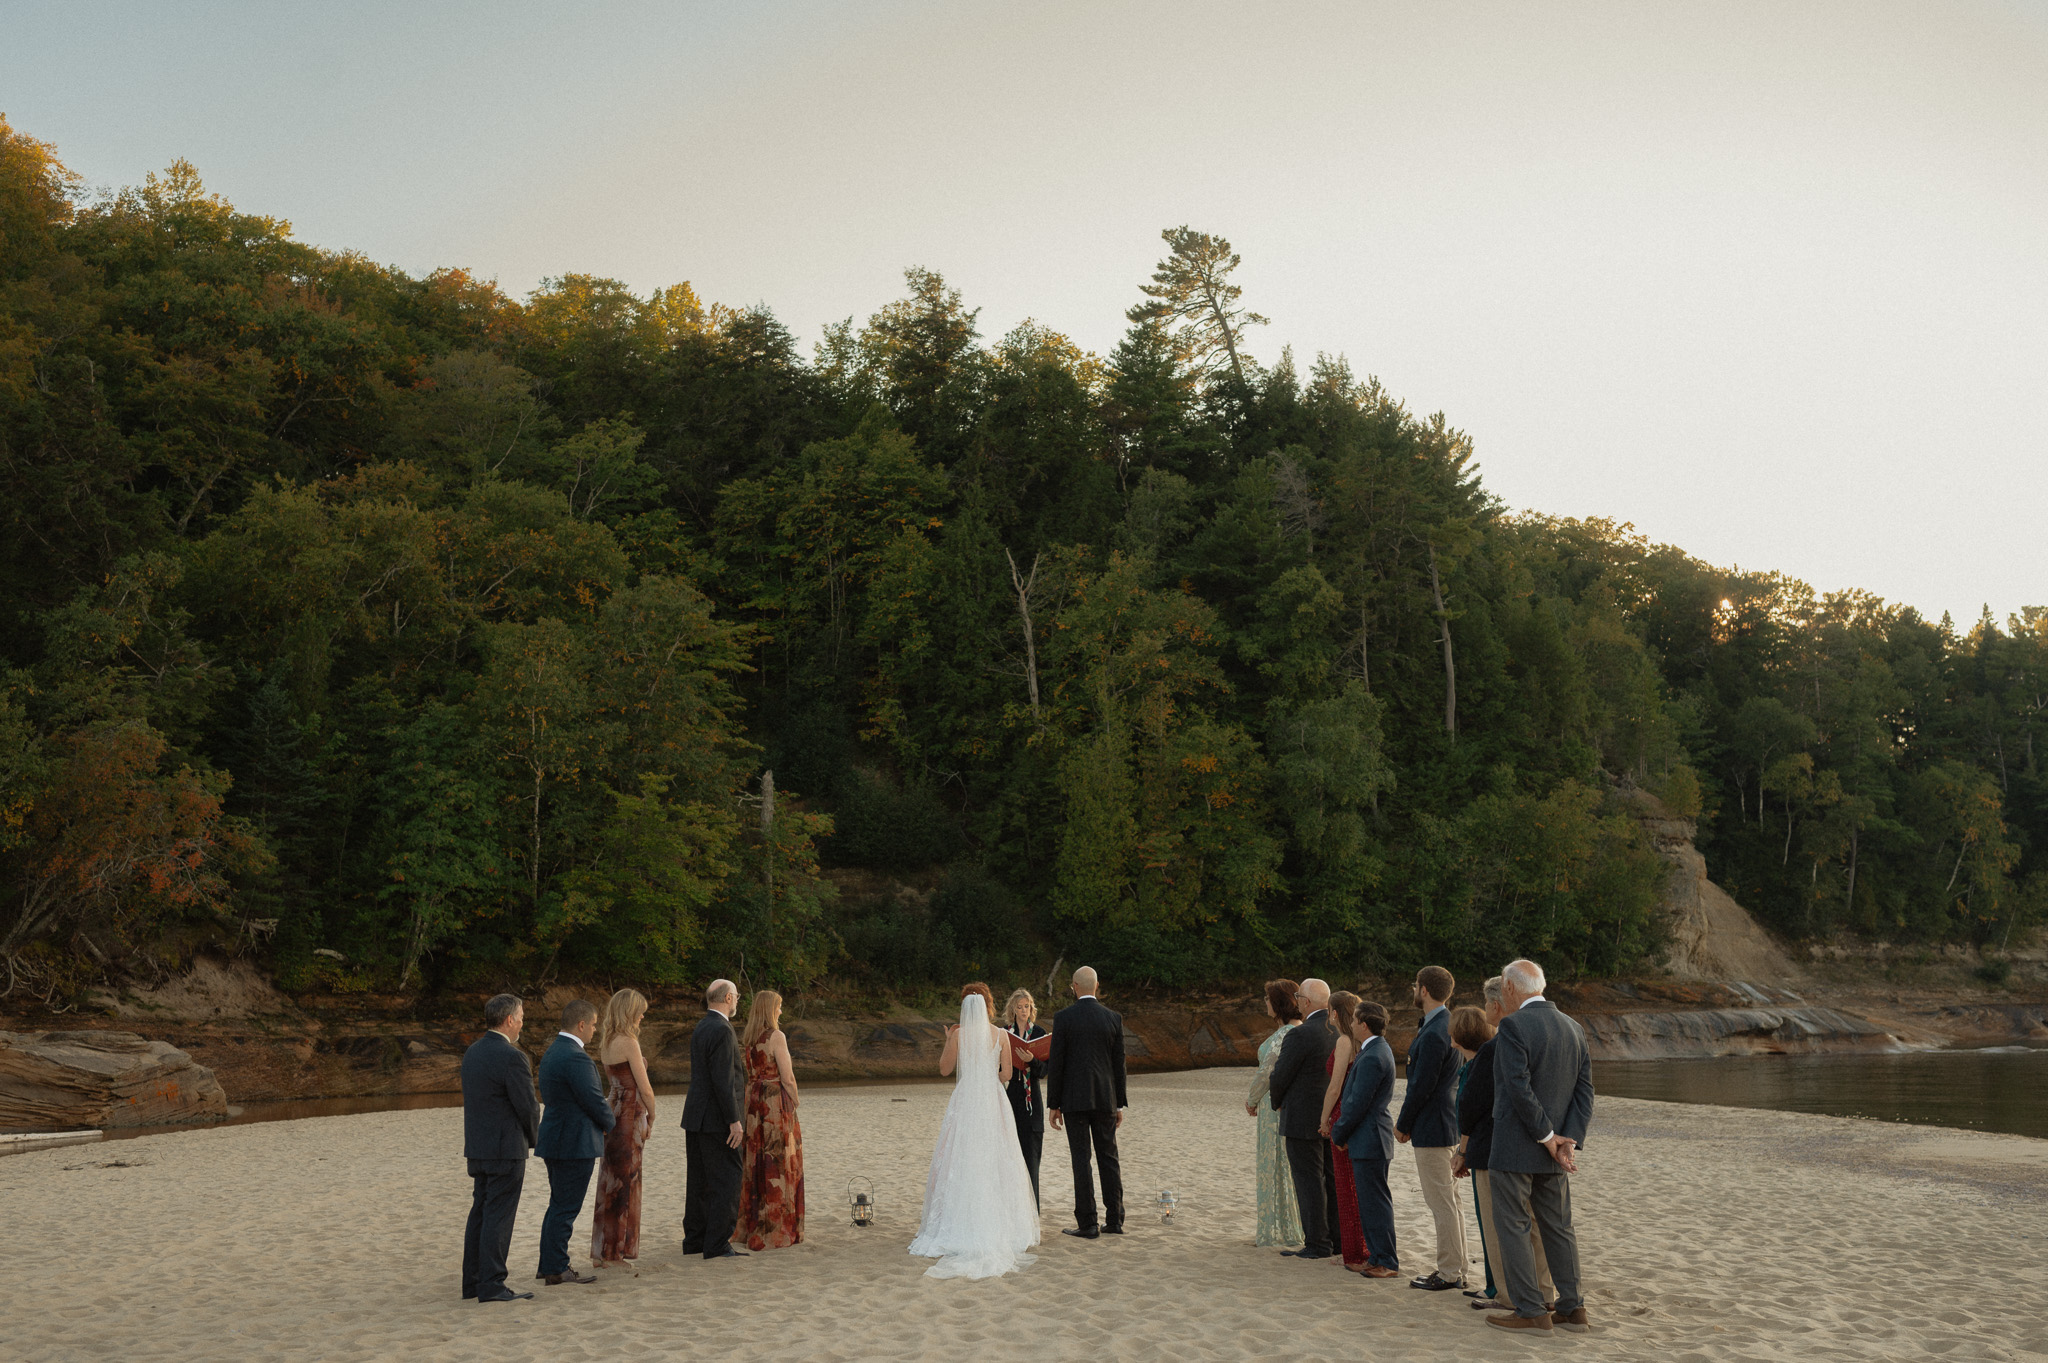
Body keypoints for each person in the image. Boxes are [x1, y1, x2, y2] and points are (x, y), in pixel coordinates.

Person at [1485, 959, 1595, 1336]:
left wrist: (1549, 1137)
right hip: (1557, 1148)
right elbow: (1585, 1091)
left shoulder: (1512, 1025)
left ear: (1512, 988)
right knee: (1559, 1227)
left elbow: (1517, 1086)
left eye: (1502, 987)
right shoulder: (1574, 1027)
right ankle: (1573, 1308)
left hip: (1518, 1145)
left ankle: (1531, 1310)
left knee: (1513, 1226)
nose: (1501, 993)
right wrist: (1568, 1140)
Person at [908, 986, 1040, 1278]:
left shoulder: (958, 1035)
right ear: (987, 1009)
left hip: (966, 1097)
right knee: (997, 1156)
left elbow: (944, 1069)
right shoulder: (1001, 1035)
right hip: (993, 1098)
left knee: (961, 1154)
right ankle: (1002, 1224)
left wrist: (948, 1042)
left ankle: (958, 1221)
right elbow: (1007, 1074)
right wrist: (988, 1074)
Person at [1453, 982, 1555, 1315]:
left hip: (1495, 1147)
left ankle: (1510, 1295)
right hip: (1536, 1143)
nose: (1484, 1009)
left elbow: (1471, 1103)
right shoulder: (1538, 1035)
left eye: (1486, 1001)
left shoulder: (1497, 1045)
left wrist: (1463, 1148)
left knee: (1501, 1227)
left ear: (1498, 1004)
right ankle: (1545, 1292)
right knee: (1534, 1225)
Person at [460, 992, 540, 1302]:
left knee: (480, 1212)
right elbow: (528, 1106)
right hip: (505, 1148)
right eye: (521, 1017)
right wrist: (535, 1140)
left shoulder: (473, 1052)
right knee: (497, 1216)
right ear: (508, 1020)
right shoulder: (512, 1056)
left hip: (478, 1147)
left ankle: (473, 1282)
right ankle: (492, 1284)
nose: (522, 1023)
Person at [533, 998, 615, 1286]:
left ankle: (549, 1263)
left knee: (558, 1204)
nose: (594, 1031)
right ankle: (556, 1267)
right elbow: (593, 1100)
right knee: (566, 1207)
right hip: (574, 1142)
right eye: (593, 1025)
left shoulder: (553, 1052)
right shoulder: (576, 1057)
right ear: (581, 1025)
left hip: (555, 1138)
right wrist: (610, 1124)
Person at [1046, 965, 1129, 1239]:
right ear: (1096, 986)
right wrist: (1119, 1104)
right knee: (1109, 1157)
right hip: (1105, 1098)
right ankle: (1115, 1219)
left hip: (1075, 1099)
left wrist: (1054, 1104)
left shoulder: (1064, 1018)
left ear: (1075, 987)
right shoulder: (1113, 1018)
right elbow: (1119, 1066)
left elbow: (1057, 1063)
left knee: (1081, 1159)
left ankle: (1088, 1223)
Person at [1396, 964, 1466, 1290]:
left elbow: (1422, 1086)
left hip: (1434, 1126)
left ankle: (1451, 1272)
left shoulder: (1437, 1030)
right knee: (1451, 1201)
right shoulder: (1446, 1024)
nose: (1413, 990)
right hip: (1446, 1122)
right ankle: (1458, 1267)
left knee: (1441, 1203)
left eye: (1415, 985)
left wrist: (1403, 1124)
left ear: (1424, 990)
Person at [1267, 978, 1340, 1261]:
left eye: (1299, 996)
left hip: (1301, 1117)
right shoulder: (1337, 1030)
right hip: (1331, 1117)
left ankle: (1317, 1243)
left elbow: (1280, 1075)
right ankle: (1336, 1239)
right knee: (1329, 1180)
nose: (1296, 1000)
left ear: (1306, 1002)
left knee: (1308, 1182)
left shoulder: (1300, 1034)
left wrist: (1278, 1103)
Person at [1329, 1000, 1399, 1278]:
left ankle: (1387, 1261)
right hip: (1370, 1138)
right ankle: (1378, 1255)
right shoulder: (1376, 1050)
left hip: (1370, 1139)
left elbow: (1357, 1103)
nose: (1353, 1024)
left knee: (1375, 1203)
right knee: (1370, 1202)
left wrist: (1338, 1132)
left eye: (1356, 1021)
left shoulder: (1372, 1056)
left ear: (1364, 1025)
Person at [680, 978, 746, 1260]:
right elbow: (724, 1080)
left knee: (699, 1181)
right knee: (727, 1179)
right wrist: (734, 1119)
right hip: (716, 1118)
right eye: (737, 996)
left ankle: (696, 1239)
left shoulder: (702, 1025)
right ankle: (717, 1243)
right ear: (728, 998)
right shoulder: (722, 1029)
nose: (737, 1001)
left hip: (696, 1115)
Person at [734, 989, 805, 1250]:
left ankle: (751, 1226)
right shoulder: (777, 1036)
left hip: (753, 1102)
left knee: (755, 1162)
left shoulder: (749, 1037)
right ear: (769, 1009)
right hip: (774, 1101)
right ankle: (776, 1228)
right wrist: (795, 1100)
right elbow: (787, 1077)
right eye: (779, 1007)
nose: (781, 1011)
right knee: (777, 1161)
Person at [591, 987, 656, 1267]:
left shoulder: (606, 1041)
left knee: (610, 1180)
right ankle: (615, 1252)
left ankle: (602, 1251)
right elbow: (645, 1088)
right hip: (629, 1113)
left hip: (612, 1109)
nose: (642, 1016)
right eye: (639, 1011)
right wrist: (652, 1115)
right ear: (629, 1012)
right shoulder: (629, 1042)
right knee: (626, 1182)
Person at [1244, 979, 1303, 1248]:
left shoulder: (1285, 1035)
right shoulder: (1296, 1031)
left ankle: (1277, 1229)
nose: (1264, 1003)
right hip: (1281, 1104)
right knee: (1284, 1166)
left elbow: (1267, 1072)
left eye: (1268, 999)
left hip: (1274, 1107)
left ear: (1278, 1002)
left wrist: (1251, 1099)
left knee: (1275, 1165)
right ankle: (1286, 1226)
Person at [1316, 990, 1367, 1271]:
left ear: (1335, 1013)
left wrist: (1324, 1119)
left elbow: (1334, 1087)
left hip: (1340, 1115)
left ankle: (1355, 1254)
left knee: (1346, 1188)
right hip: (1351, 1115)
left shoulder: (1345, 1041)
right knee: (1354, 1186)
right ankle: (1359, 1248)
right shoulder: (1360, 1040)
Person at [1000, 987, 1049, 1208]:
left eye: (1026, 1006)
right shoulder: (1004, 1033)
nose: (1023, 1011)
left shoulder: (1039, 1033)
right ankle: (1012, 1209)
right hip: (1011, 1097)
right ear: (1012, 1009)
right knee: (1010, 1157)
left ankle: (1033, 1212)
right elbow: (998, 1066)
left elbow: (1045, 1070)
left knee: (1031, 1159)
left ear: (1031, 1008)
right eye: (1019, 1007)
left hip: (1032, 1101)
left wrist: (1031, 1060)